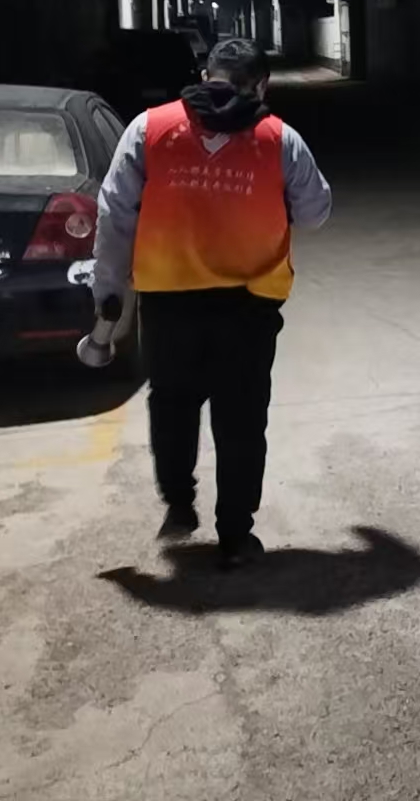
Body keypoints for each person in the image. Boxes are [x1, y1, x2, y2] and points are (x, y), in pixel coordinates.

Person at [93, 38, 333, 569]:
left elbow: (115, 213)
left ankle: (179, 503)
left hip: (168, 300)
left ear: (206, 75)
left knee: (172, 403)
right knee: (241, 417)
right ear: (262, 85)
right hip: (248, 304)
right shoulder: (281, 140)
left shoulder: (148, 129)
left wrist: (107, 289)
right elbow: (315, 212)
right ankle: (235, 537)